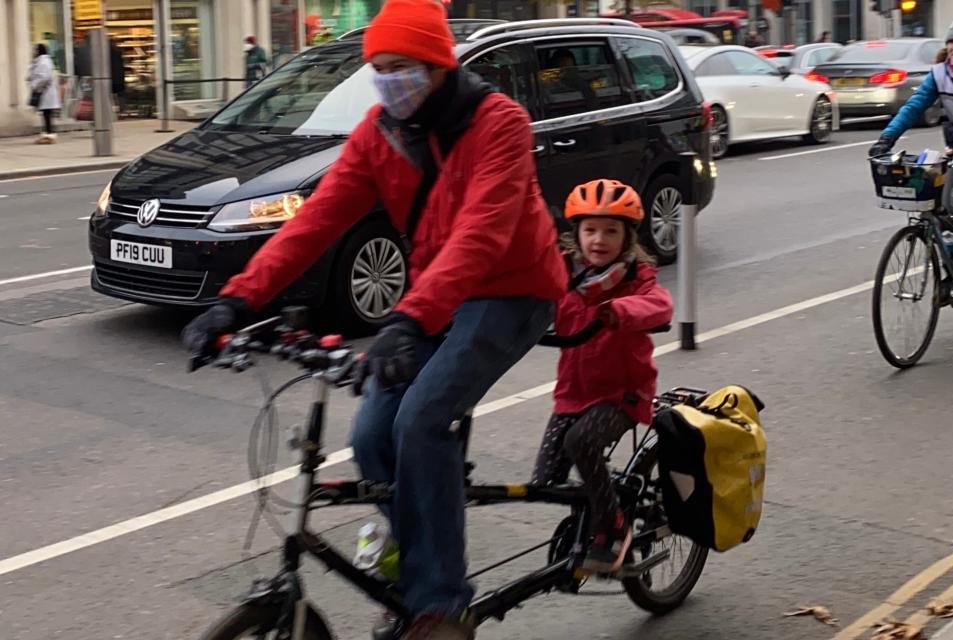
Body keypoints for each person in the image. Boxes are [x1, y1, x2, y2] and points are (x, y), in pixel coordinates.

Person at [181, 0, 567, 637]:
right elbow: (314, 221)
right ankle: (414, 563)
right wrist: (236, 301)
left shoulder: (499, 122)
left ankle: (441, 603)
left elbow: (482, 234)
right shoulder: (378, 132)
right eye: (378, 68)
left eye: (402, 66)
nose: (389, 80)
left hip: (511, 293)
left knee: (420, 423)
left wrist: (408, 321)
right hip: (433, 300)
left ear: (438, 65)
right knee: (369, 437)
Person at [531, 179, 673, 574]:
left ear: (627, 237)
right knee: (545, 480)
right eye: (590, 229)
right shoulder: (564, 274)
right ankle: (607, 494)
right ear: (576, 233)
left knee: (580, 442)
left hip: (622, 394)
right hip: (573, 393)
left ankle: (613, 526)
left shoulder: (635, 276)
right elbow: (531, 290)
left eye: (611, 231)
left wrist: (621, 311)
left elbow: (659, 306)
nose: (599, 239)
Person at [869, 16, 953, 305]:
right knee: (942, 206)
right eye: (952, 41)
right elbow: (913, 106)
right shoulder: (940, 74)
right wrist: (887, 138)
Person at [27, 43, 61, 145]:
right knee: (46, 114)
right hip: (44, 92)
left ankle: (49, 135)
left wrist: (35, 85)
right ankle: (47, 134)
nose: (33, 52)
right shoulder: (40, 61)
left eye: (35, 50)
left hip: (45, 91)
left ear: (39, 51)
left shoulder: (43, 62)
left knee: (47, 114)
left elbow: (44, 77)